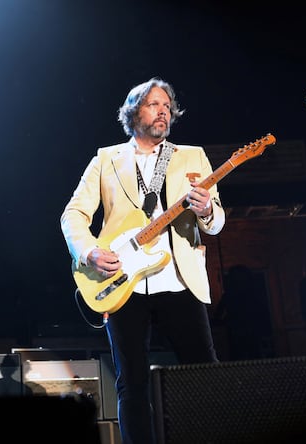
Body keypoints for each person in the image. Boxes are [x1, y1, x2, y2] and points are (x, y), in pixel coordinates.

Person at [60, 77, 225, 444]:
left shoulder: (192, 156)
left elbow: (216, 223)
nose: (163, 110)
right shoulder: (106, 159)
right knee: (131, 383)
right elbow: (73, 214)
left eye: (167, 106)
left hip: (179, 280)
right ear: (133, 112)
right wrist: (89, 251)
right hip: (122, 285)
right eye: (154, 104)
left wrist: (208, 210)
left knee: (204, 375)